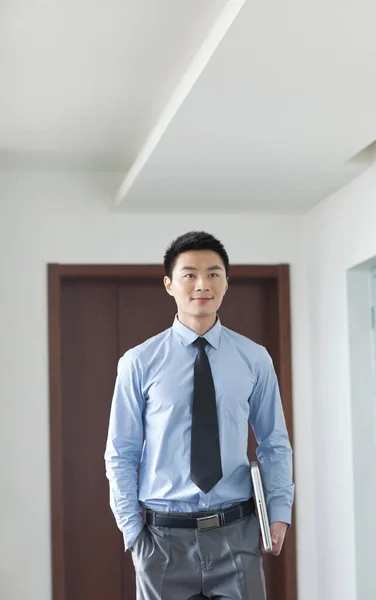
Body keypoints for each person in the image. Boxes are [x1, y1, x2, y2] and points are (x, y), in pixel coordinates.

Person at [105, 231, 294, 600]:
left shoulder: (254, 358)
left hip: (236, 533)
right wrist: (133, 534)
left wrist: (279, 512)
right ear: (169, 284)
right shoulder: (139, 362)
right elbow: (121, 452)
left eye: (213, 273)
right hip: (161, 542)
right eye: (189, 274)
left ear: (226, 282)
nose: (202, 284)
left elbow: (274, 442)